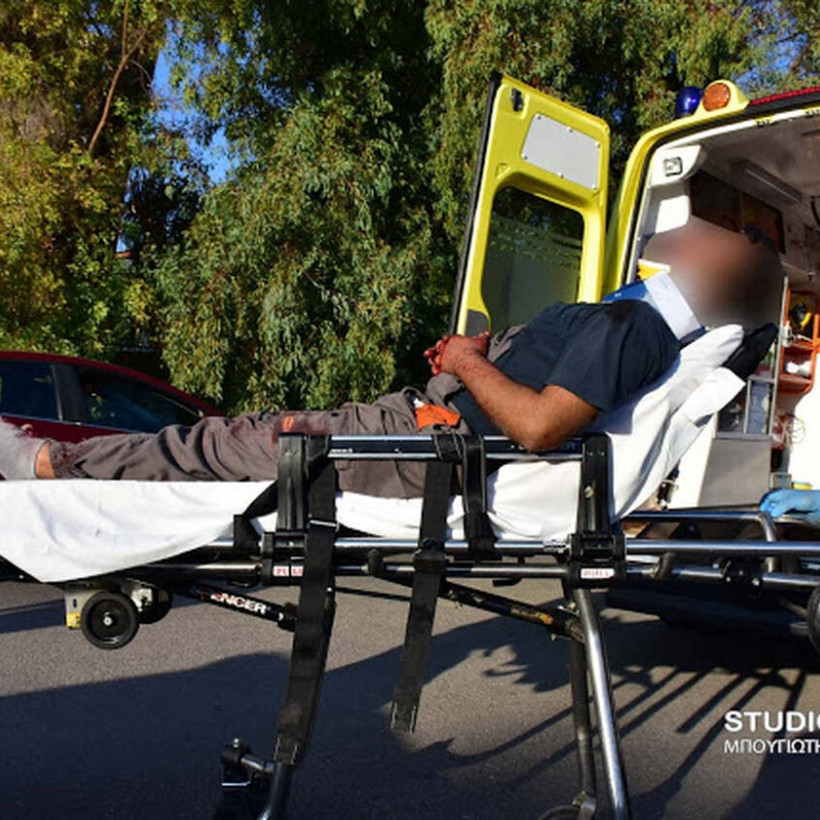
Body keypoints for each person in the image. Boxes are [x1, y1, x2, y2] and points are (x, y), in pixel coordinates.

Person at [0, 217, 783, 498]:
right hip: (421, 426)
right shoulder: (632, 317)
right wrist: (474, 362)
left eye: (719, 231)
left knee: (228, 442)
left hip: (423, 447)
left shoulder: (636, 326)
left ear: (713, 268)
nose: (697, 223)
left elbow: (540, 427)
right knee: (238, 435)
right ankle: (54, 466)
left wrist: (469, 362)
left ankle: (46, 467)